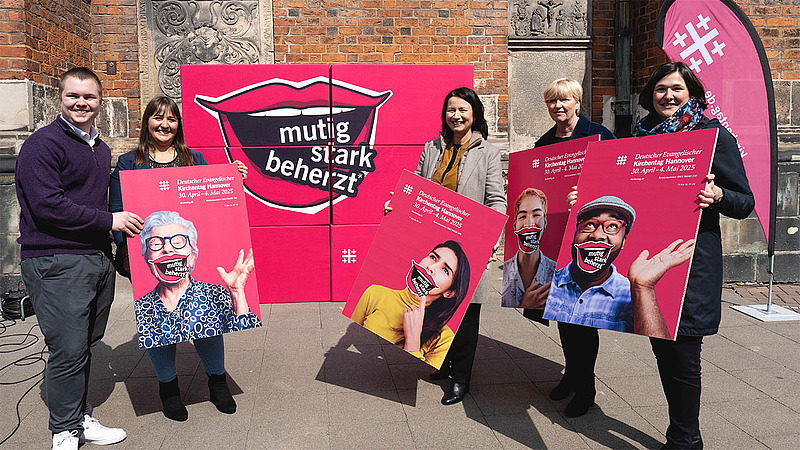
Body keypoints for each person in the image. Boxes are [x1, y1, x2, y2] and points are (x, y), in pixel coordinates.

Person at [15, 67, 143, 450]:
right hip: (55, 259)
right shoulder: (43, 144)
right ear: (61, 98)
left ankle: (81, 417)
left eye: (89, 97)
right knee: (68, 348)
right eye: (74, 96)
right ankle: (64, 430)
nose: (81, 103)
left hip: (95, 256)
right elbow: (48, 205)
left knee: (87, 343)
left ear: (100, 101)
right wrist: (110, 220)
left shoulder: (100, 148)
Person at [633, 61, 753, 449]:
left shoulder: (713, 135)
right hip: (653, 260)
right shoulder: (640, 138)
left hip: (693, 260)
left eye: (677, 89)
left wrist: (718, 196)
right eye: (661, 89)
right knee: (662, 347)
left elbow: (744, 201)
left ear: (693, 95)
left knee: (684, 353)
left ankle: (685, 436)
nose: (668, 96)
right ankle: (681, 430)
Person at [108, 96, 249, 423]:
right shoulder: (128, 164)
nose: (164, 125)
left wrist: (233, 178)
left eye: (171, 119)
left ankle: (217, 382)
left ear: (178, 125)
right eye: (157, 118)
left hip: (187, 259)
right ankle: (168, 389)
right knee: (157, 321)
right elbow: (116, 211)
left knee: (207, 318)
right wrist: (128, 248)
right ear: (147, 123)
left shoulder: (193, 159)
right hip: (150, 260)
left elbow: (213, 202)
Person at [386, 87, 506, 405]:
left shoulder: (488, 153)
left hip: (471, 245)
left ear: (475, 114)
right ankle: (446, 364)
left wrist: (492, 235)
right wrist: (397, 205)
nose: (456, 115)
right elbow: (417, 186)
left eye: (463, 110)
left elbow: (496, 199)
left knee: (466, 316)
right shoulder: (431, 148)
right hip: (435, 242)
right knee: (441, 310)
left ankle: (461, 379)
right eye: (451, 110)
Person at [533, 78, 616, 418]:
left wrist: (588, 195)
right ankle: (571, 375)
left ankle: (587, 389)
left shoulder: (599, 136)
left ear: (578, 103)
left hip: (590, 241)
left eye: (565, 100)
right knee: (564, 315)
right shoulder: (544, 142)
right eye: (553, 101)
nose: (559, 106)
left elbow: (617, 181)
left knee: (584, 318)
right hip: (556, 238)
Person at [546, 196, 694, 334]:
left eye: (612, 226)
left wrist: (643, 288)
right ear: (575, 233)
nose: (597, 235)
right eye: (589, 224)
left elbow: (659, 340)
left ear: (623, 241)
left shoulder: (633, 295)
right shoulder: (547, 279)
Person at [350, 241, 471, 368]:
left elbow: (418, 381)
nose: (431, 267)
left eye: (445, 270)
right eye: (433, 257)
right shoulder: (375, 293)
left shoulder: (444, 338)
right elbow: (354, 335)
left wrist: (413, 340)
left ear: (450, 292)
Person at [501, 188, 556, 308]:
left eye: (536, 215)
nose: (529, 223)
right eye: (522, 216)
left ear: (545, 222)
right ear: (515, 225)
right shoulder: (505, 273)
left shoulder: (557, 274)